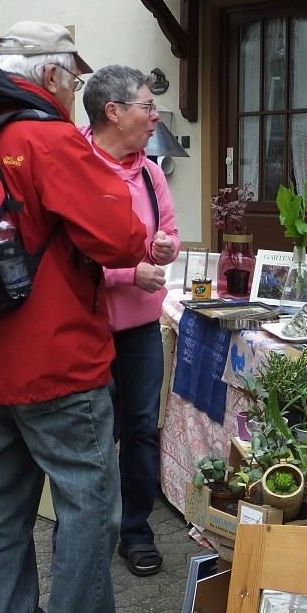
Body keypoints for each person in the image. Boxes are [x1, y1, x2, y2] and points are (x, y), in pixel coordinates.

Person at [0, 21, 148, 613]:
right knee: (87, 500)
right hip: (58, 359)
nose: (74, 91)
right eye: (71, 77)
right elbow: (122, 239)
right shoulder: (48, 138)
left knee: (1, 497)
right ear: (47, 75)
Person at [79, 65, 181, 577]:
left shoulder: (150, 171)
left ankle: (136, 532)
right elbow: (68, 255)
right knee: (93, 435)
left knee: (141, 429)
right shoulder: (73, 166)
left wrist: (165, 247)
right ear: (114, 112)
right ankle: (90, 531)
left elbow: (172, 235)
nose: (154, 115)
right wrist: (126, 273)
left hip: (141, 330)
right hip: (87, 327)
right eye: (147, 106)